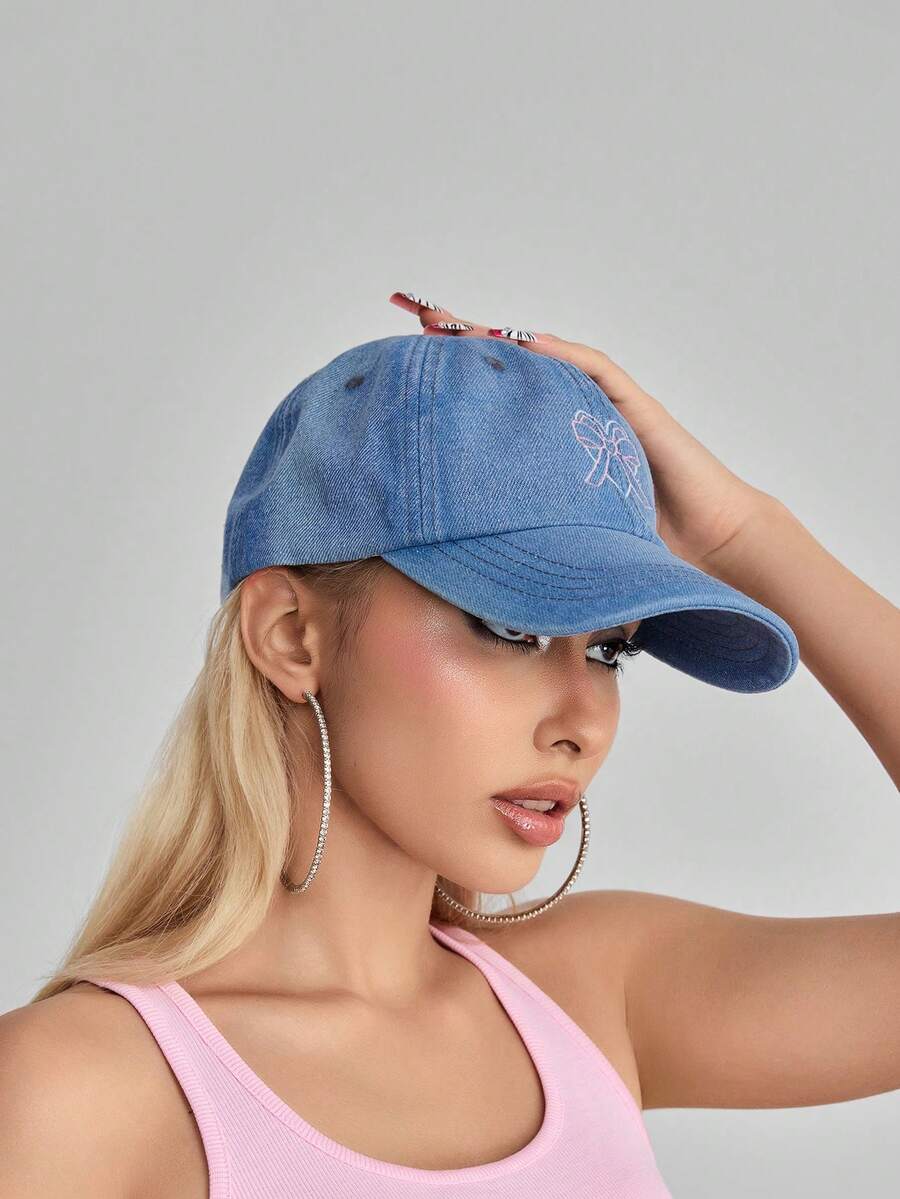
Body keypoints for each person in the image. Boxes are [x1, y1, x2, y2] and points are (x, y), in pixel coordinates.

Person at [1, 294, 897, 1199]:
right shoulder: (79, 1091)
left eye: (608, 651)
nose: (582, 720)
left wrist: (739, 534)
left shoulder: (592, 995)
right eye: (511, 629)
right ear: (291, 635)